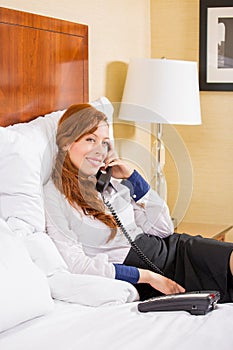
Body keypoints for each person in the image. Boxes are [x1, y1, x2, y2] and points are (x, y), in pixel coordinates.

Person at [44, 103, 233, 302]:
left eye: (105, 142)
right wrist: (148, 277)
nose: (100, 150)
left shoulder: (107, 183)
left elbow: (164, 229)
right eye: (90, 139)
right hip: (146, 275)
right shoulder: (54, 195)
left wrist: (133, 178)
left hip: (174, 250)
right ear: (66, 143)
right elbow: (78, 265)